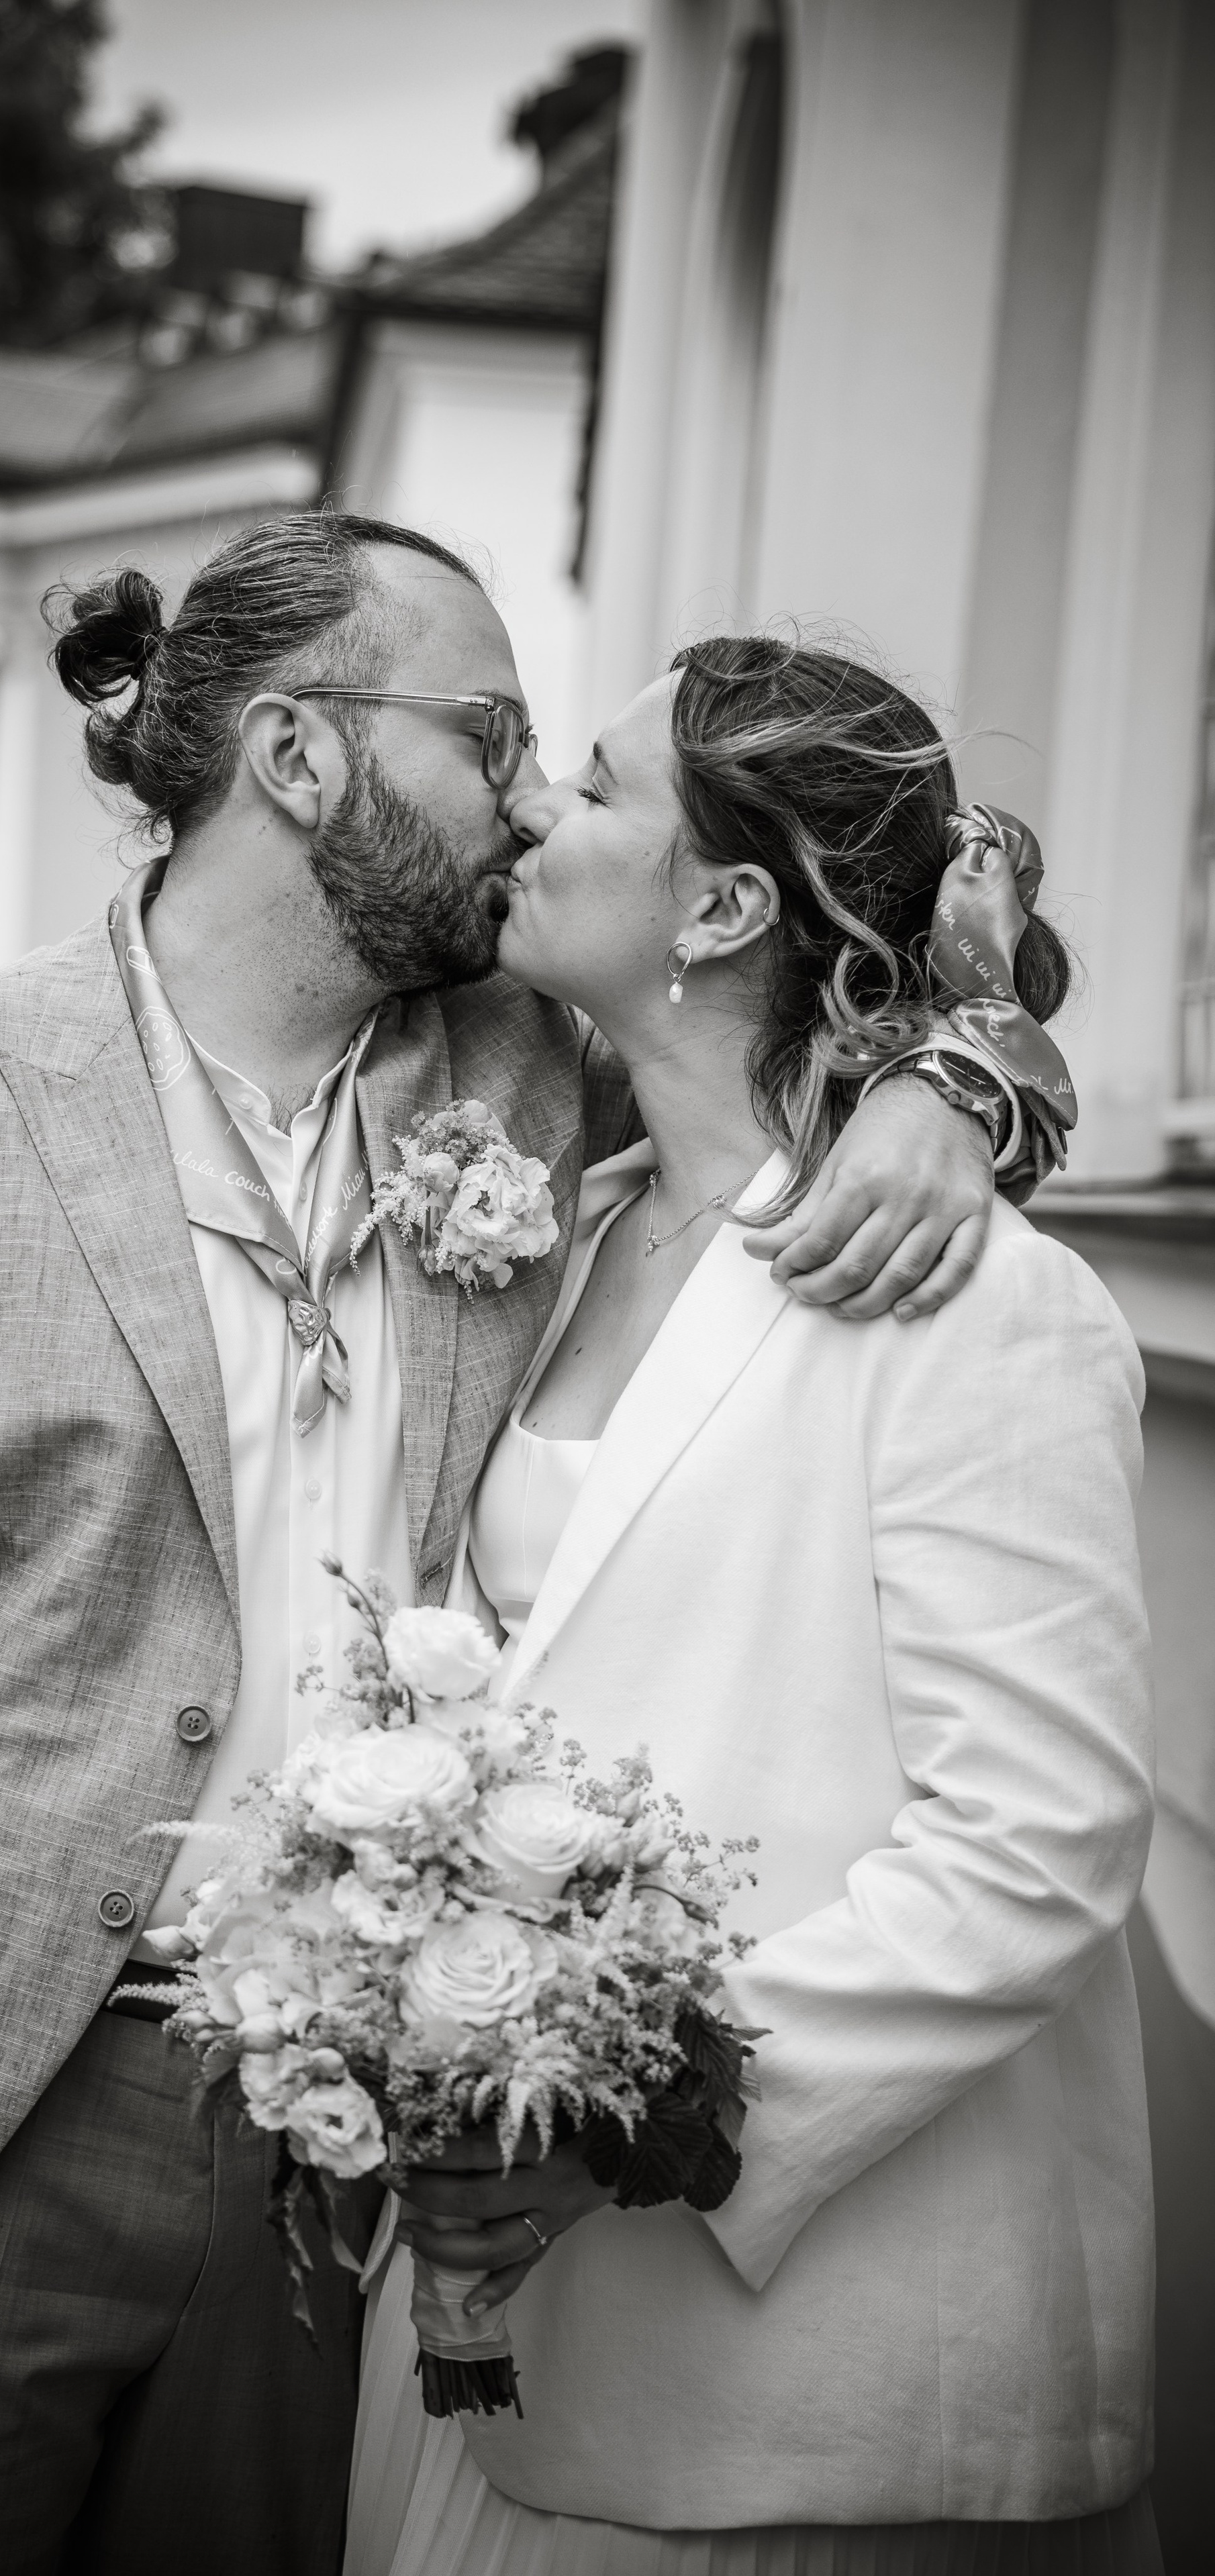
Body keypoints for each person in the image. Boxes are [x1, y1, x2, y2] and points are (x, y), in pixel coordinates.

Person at [0, 520, 1001, 2575]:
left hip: (363, 2133)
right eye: (490, 738)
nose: (534, 795)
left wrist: (957, 1079)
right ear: (300, 760)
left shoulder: (542, 1075)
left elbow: (822, 936)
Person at [347, 636, 1158, 2576]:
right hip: (499, 2327)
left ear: (720, 905)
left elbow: (1040, 1842)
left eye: (601, 785)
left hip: (810, 2362)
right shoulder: (564, 1222)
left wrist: (637, 2122)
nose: (537, 804)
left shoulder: (972, 1298)